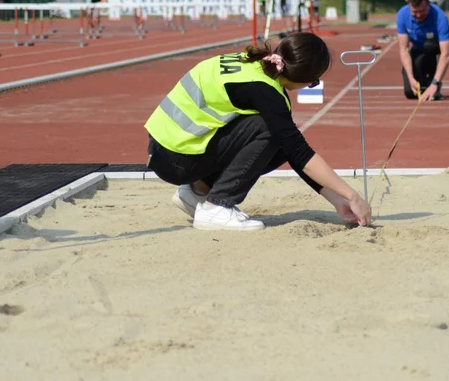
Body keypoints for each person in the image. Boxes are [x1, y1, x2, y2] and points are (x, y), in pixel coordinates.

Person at [144, 33, 373, 232]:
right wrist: (352, 196)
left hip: (165, 149)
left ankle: (197, 192)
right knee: (271, 130)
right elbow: (300, 152)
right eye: (312, 84)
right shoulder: (266, 91)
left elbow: (291, 151)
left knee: (281, 135)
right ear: (304, 78)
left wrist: (336, 200)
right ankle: (218, 205)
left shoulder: (252, 63)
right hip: (177, 160)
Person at [396, 0, 449, 101]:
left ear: (429, 5)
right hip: (418, 47)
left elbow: (446, 54)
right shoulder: (402, 15)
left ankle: (433, 82)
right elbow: (404, 49)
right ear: (409, 7)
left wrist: (435, 83)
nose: (418, 15)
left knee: (429, 46)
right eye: (414, 12)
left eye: (422, 11)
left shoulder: (440, 17)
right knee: (409, 92)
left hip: (436, 46)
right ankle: (424, 83)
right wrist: (411, 77)